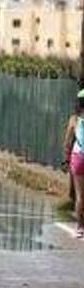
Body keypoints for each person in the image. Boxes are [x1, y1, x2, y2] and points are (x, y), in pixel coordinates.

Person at [63, 90, 84, 238]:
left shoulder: (74, 120)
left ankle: (80, 227)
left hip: (78, 158)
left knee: (80, 195)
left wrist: (66, 159)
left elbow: (67, 142)